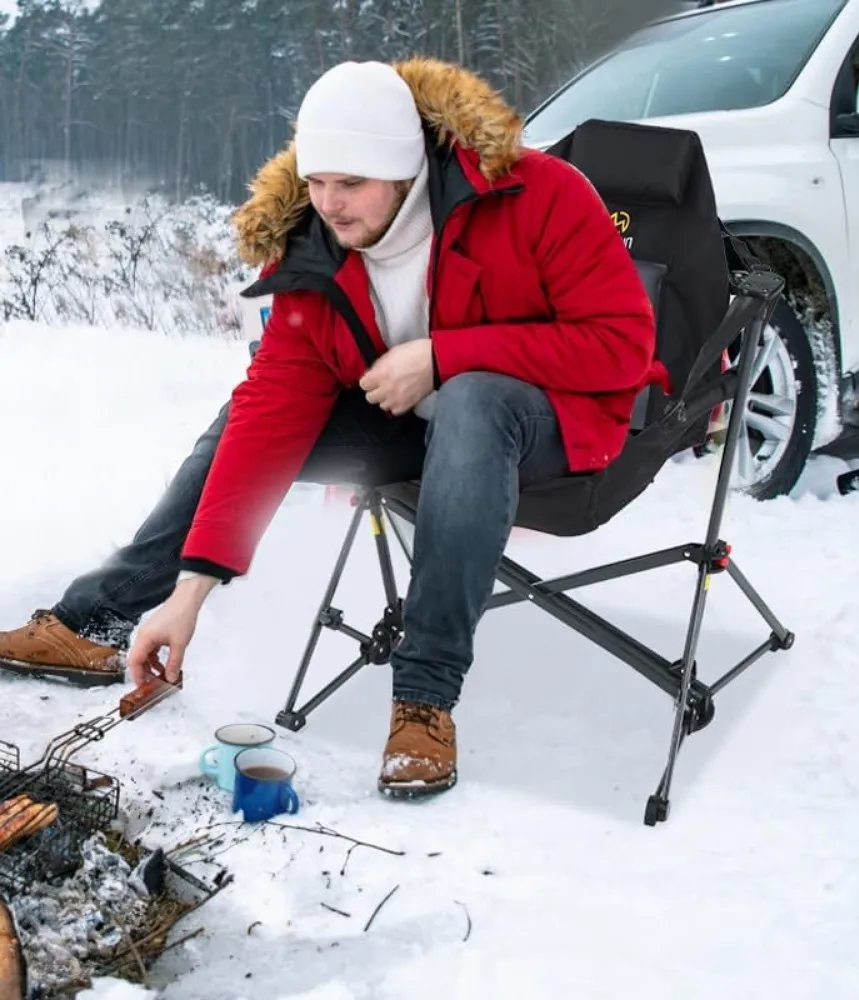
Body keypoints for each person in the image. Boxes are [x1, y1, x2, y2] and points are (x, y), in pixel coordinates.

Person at [0, 58, 662, 797]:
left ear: (406, 168)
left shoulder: (538, 194)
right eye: (316, 182)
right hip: (409, 423)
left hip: (545, 423)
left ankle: (424, 700)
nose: (330, 204)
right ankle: (100, 621)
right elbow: (270, 416)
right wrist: (191, 591)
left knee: (475, 399)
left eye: (350, 184)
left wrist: (444, 356)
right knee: (244, 419)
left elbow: (623, 345)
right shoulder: (312, 247)